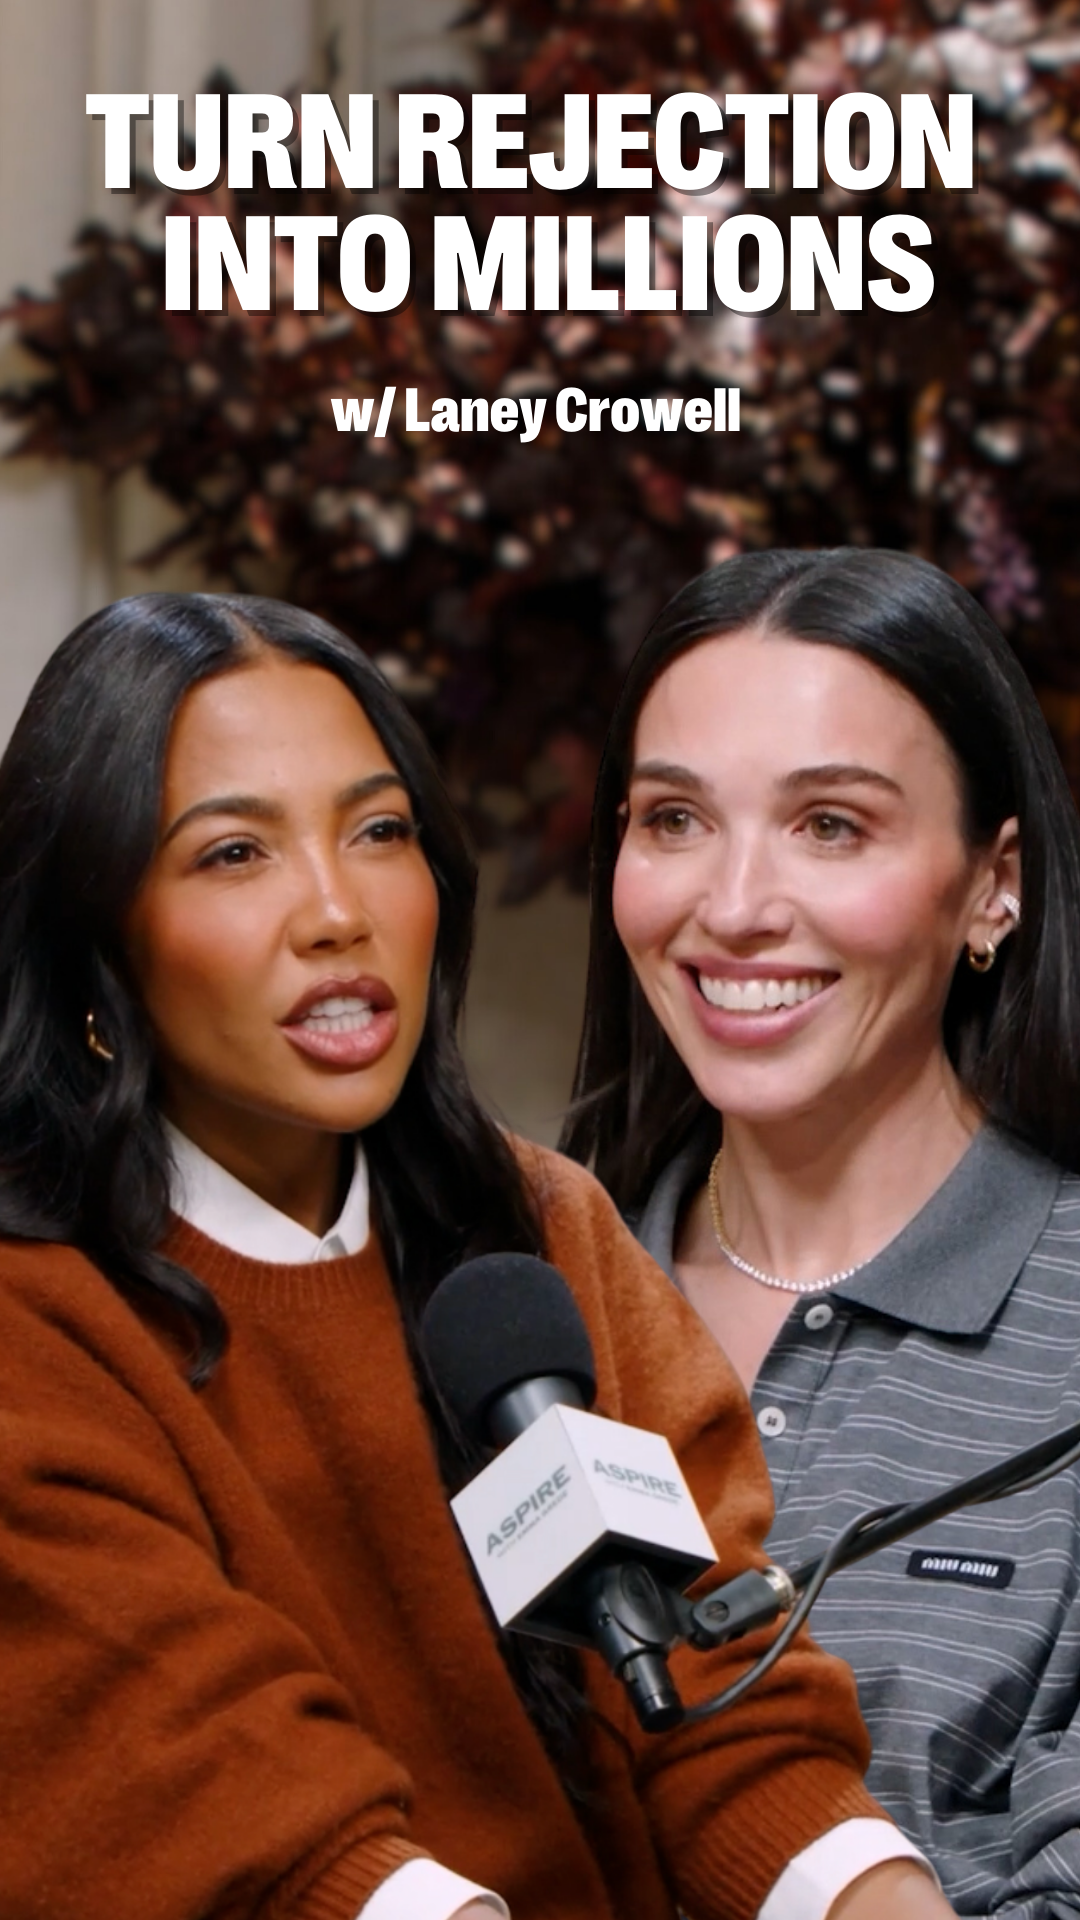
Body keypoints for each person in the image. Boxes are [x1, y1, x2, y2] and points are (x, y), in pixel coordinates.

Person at [0, 590, 953, 1920]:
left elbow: (721, 1706)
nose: (337, 910)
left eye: (379, 832)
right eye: (233, 854)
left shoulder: (539, 1230)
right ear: (93, 941)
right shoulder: (35, 1323)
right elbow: (252, 1836)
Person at [562, 546, 1080, 1918]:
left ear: (994, 885)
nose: (731, 907)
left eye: (830, 826)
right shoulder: (507, 1292)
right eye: (673, 820)